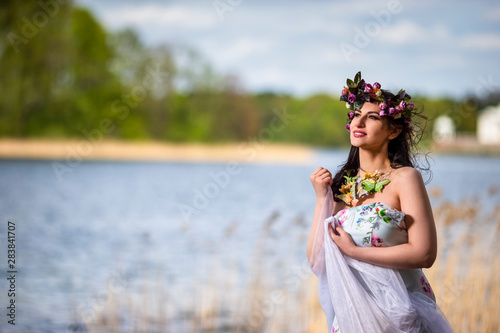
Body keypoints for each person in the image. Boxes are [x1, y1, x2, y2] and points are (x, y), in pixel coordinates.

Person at [306, 72, 453, 332]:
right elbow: (318, 261)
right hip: (353, 320)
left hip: (400, 316)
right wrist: (322, 199)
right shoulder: (341, 187)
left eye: (372, 117)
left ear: (393, 130)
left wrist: (355, 252)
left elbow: (425, 254)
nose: (358, 122)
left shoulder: (405, 178)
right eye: (355, 115)